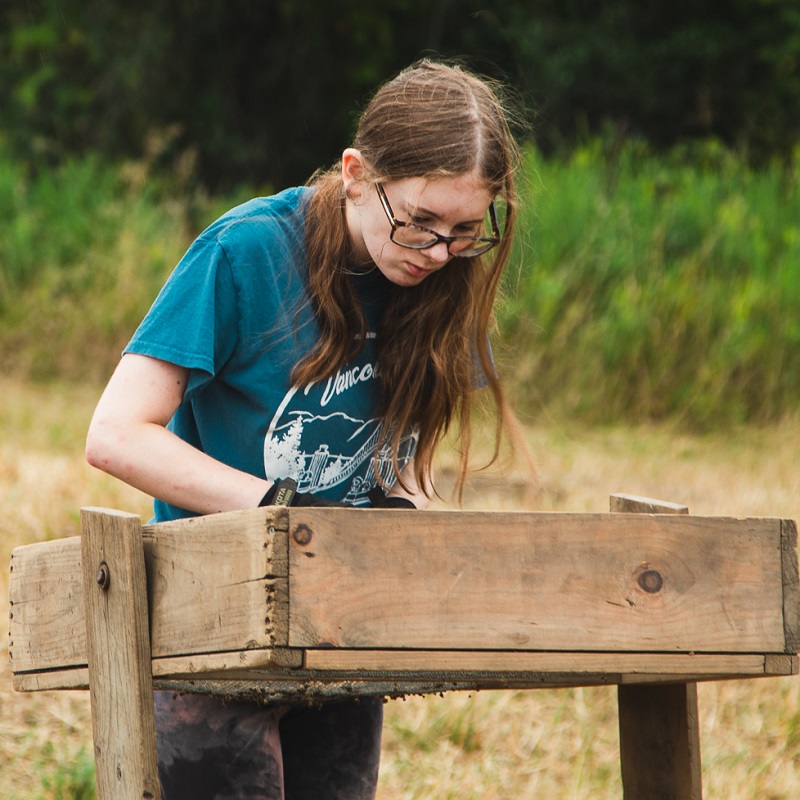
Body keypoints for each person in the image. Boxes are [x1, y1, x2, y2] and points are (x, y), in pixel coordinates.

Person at [86, 58, 521, 800]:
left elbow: (402, 460)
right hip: (212, 618)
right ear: (355, 174)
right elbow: (117, 433)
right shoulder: (248, 251)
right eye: (418, 222)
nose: (438, 252)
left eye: (463, 230)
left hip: (343, 623)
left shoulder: (442, 277)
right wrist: (279, 507)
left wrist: (409, 525)